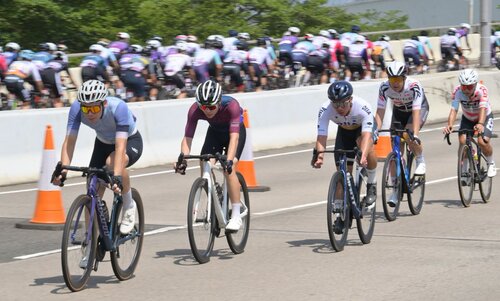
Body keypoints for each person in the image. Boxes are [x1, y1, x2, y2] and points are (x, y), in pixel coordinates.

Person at [51, 79, 143, 235]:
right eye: (86, 110)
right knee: (92, 191)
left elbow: (120, 147)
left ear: (104, 104)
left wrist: (117, 177)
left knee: (112, 163)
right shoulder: (77, 108)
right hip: (102, 143)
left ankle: (128, 205)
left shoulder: (118, 108)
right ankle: (90, 243)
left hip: (129, 141)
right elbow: (70, 141)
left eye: (94, 108)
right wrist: (63, 169)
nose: (90, 113)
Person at [174, 80, 246, 231]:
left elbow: (234, 138)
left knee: (229, 169)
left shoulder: (231, 106)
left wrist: (229, 161)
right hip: (214, 133)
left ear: (219, 102)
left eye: (212, 107)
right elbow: (187, 138)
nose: (207, 110)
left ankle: (236, 215)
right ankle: (214, 195)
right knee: (204, 161)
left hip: (234, 133)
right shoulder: (195, 109)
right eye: (204, 107)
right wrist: (183, 159)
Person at [311, 80, 378, 206]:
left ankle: (372, 184)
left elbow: (366, 136)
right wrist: (320, 156)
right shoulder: (325, 109)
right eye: (335, 104)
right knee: (342, 174)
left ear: (350, 99)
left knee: (364, 145)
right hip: (344, 131)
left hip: (361, 130)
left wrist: (363, 156)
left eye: (343, 104)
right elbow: (321, 136)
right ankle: (339, 213)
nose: (339, 108)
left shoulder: (363, 107)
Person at [375, 61, 429, 200]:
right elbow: (380, 112)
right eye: (392, 79)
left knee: (408, 135)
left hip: (417, 110)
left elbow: (416, 112)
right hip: (399, 112)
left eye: (398, 79)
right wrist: (375, 131)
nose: (395, 83)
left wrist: (415, 135)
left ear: (404, 78)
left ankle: (420, 160)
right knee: (394, 154)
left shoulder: (414, 86)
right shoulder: (384, 88)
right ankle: (395, 189)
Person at [442, 69, 496, 179]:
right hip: (468, 118)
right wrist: (450, 125)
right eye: (464, 86)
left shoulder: (482, 90)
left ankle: (491, 163)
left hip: (484, 117)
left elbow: (482, 108)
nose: (466, 90)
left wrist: (480, 124)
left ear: (475, 84)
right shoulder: (457, 91)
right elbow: (454, 110)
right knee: (462, 141)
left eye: (469, 87)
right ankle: (465, 170)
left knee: (482, 142)